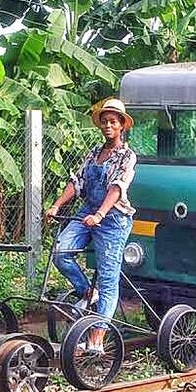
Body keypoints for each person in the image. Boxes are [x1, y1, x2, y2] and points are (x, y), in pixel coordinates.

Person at [45, 98, 137, 351]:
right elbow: (77, 183)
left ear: (122, 126)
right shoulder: (95, 154)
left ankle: (97, 338)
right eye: (105, 121)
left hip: (113, 219)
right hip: (87, 213)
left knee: (108, 279)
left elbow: (117, 188)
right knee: (61, 252)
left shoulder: (127, 156)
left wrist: (100, 214)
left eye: (113, 122)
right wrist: (56, 205)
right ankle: (88, 293)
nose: (108, 126)